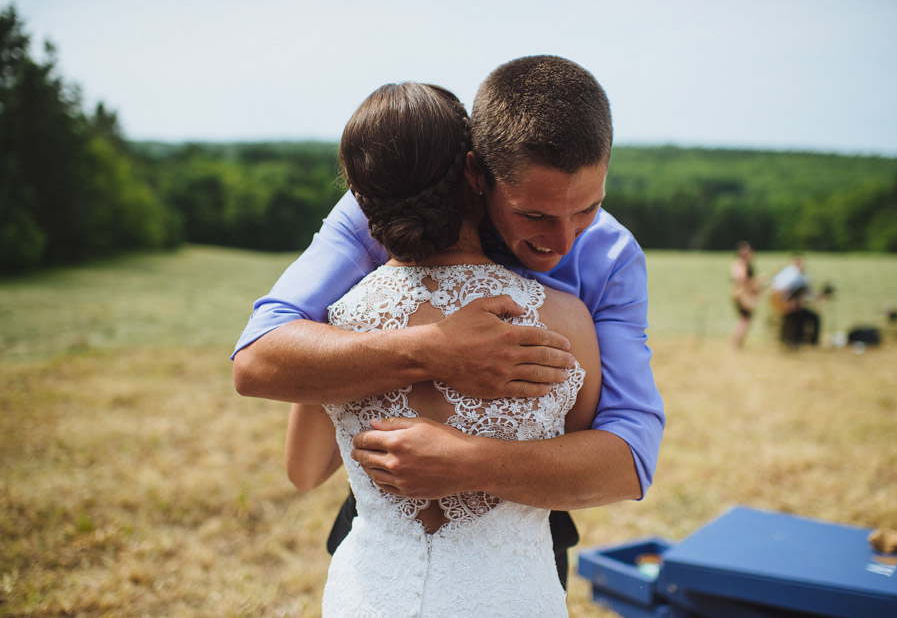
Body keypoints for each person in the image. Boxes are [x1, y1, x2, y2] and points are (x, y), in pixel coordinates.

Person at [233, 55, 665, 586]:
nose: (565, 241)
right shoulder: (382, 210)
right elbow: (257, 358)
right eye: (534, 214)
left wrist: (467, 462)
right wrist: (433, 348)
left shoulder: (614, 257)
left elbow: (630, 458)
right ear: (474, 175)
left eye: (588, 208)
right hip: (383, 514)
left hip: (525, 536)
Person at [286, 80, 601, 616]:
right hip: (509, 595)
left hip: (373, 592)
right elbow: (575, 470)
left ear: (361, 198)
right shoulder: (562, 319)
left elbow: (303, 472)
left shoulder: (334, 326)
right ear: (476, 177)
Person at [730, 241, 761, 349]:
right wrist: (754, 285)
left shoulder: (744, 264)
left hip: (743, 294)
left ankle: (738, 343)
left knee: (745, 319)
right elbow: (742, 280)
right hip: (742, 295)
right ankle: (736, 344)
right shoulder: (741, 264)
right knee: (745, 319)